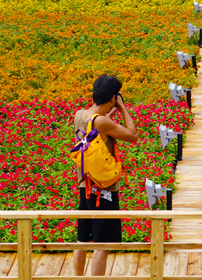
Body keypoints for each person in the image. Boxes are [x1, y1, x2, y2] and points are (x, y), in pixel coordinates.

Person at [71, 74, 139, 277]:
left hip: (86, 186)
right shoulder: (102, 122)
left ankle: (77, 277)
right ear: (112, 98)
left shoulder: (80, 114)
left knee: (83, 240)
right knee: (102, 245)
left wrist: (108, 115)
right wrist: (123, 108)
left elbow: (95, 130)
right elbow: (132, 135)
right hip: (103, 190)